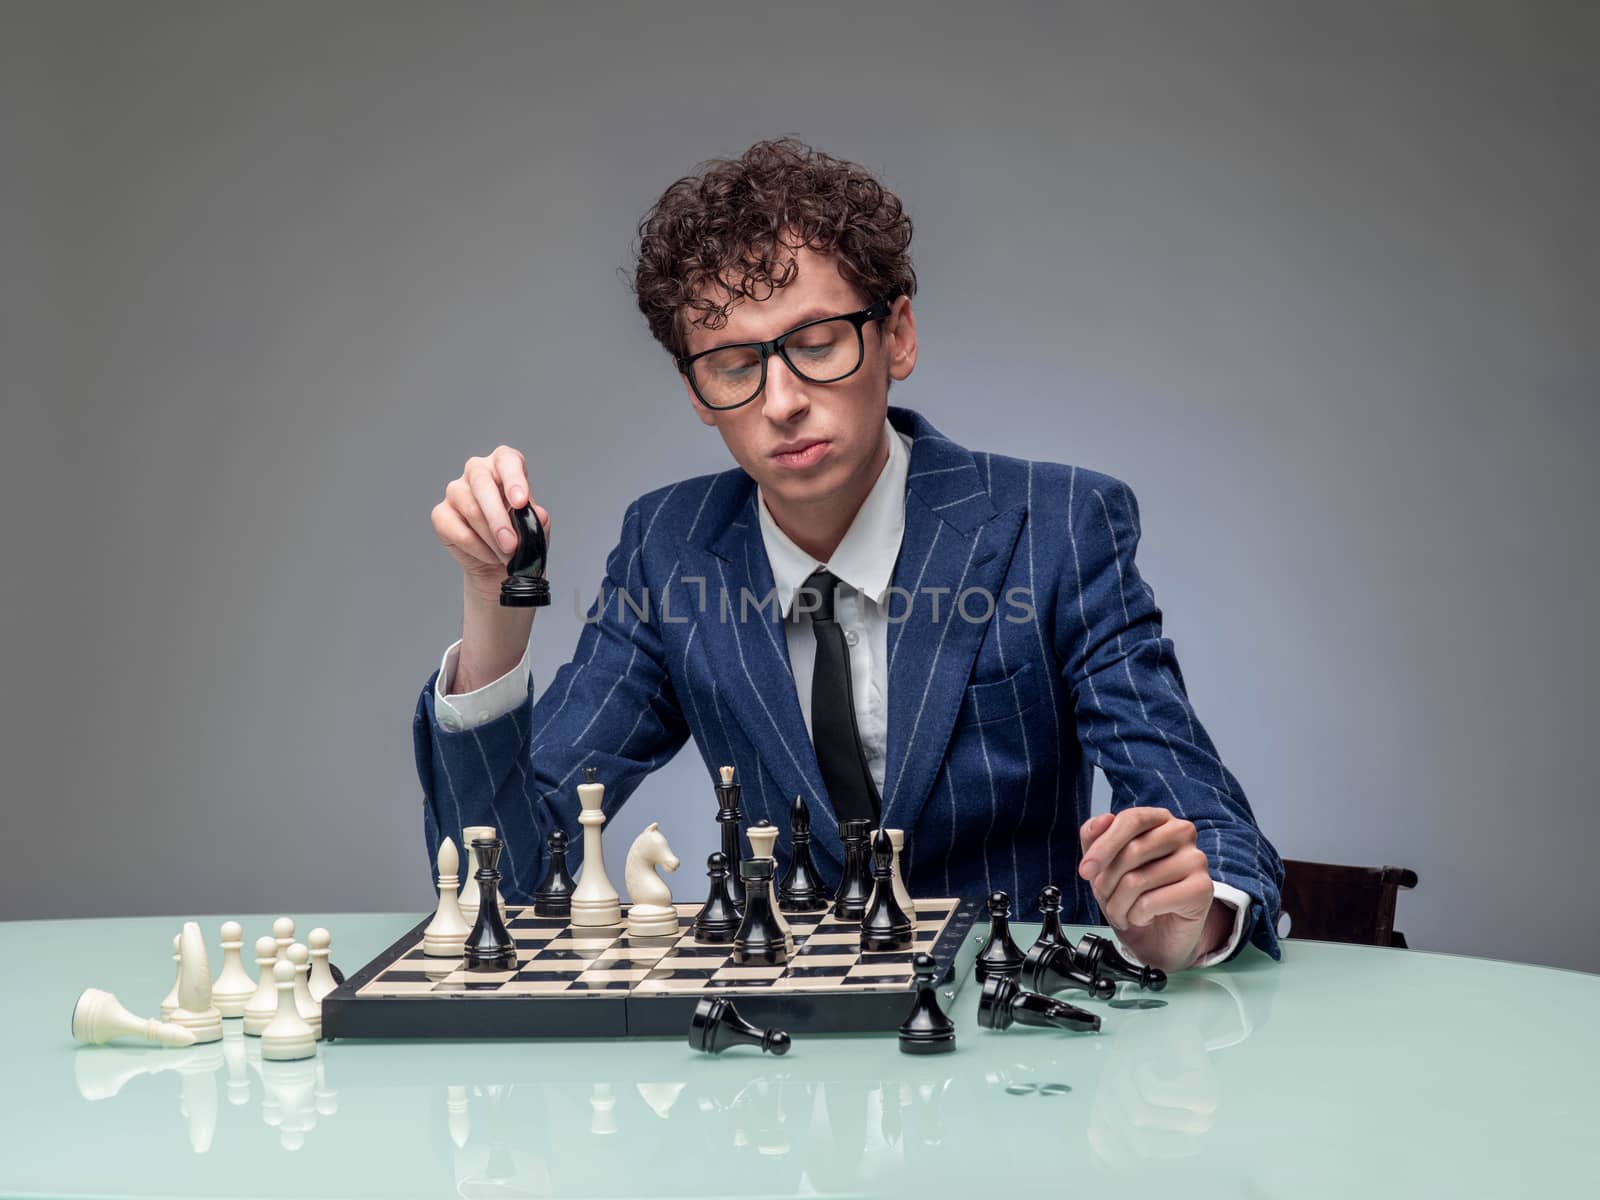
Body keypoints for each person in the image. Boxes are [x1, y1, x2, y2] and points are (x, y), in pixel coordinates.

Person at [418, 137, 1283, 971]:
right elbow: (507, 880)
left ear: (897, 336)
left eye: (817, 342)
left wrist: (1189, 920)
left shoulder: (1058, 525)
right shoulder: (670, 551)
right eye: (731, 364)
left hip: (1014, 1046)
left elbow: (1204, 820)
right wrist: (494, 611)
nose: (783, 401)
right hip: (778, 1065)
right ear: (695, 391)